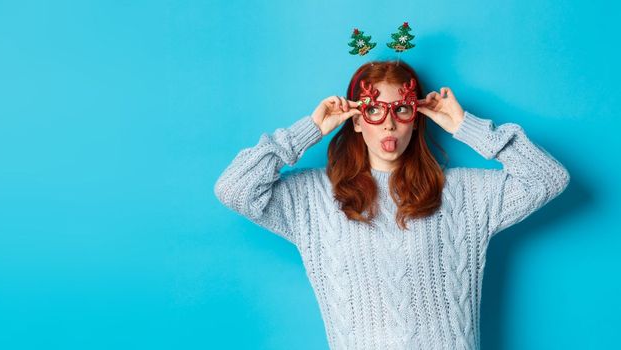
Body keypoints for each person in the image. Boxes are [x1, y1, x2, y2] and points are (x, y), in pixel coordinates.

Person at [213, 60, 570, 349]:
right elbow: (234, 188)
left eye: (401, 110)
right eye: (373, 111)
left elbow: (547, 179)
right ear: (356, 120)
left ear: (415, 120)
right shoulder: (314, 198)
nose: (388, 124)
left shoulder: (463, 193)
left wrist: (465, 126)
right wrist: (307, 130)